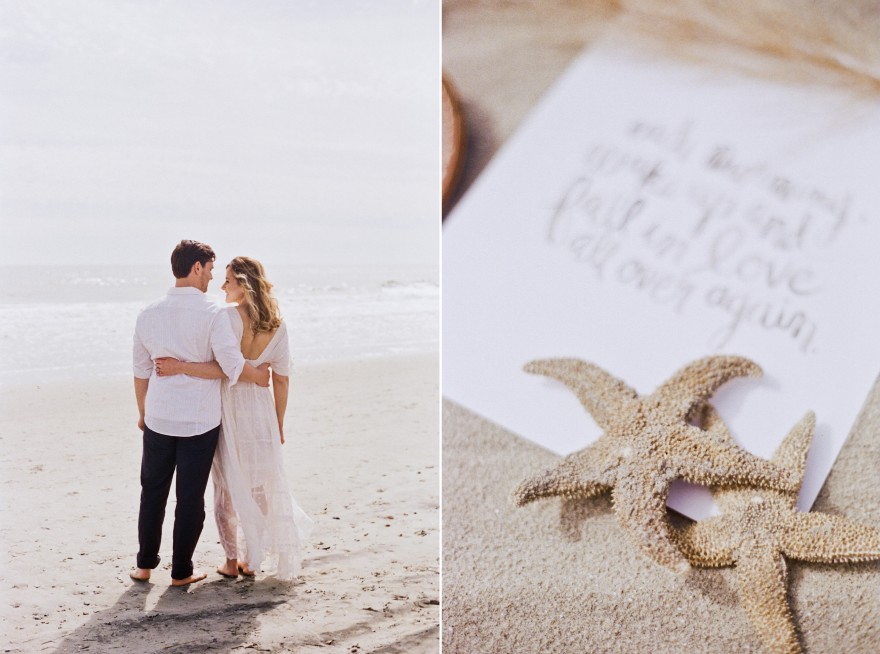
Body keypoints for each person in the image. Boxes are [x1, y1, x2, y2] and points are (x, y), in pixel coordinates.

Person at [155, 256, 313, 581]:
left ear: (242, 284)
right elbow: (281, 380)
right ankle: (251, 558)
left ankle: (231, 561)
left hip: (227, 407)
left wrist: (179, 366)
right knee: (258, 485)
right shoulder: (279, 326)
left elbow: (221, 369)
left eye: (227, 280)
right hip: (261, 411)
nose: (222, 285)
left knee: (225, 488)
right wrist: (279, 421)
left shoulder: (227, 317)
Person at [131, 240, 271, 587]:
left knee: (152, 492)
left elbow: (140, 370)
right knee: (189, 498)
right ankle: (181, 572)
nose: (211, 277)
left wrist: (143, 412)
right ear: (196, 267)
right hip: (199, 422)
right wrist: (192, 368)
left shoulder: (148, 313)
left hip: (159, 418)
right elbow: (230, 367)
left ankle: (144, 566)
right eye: (210, 269)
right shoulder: (213, 313)